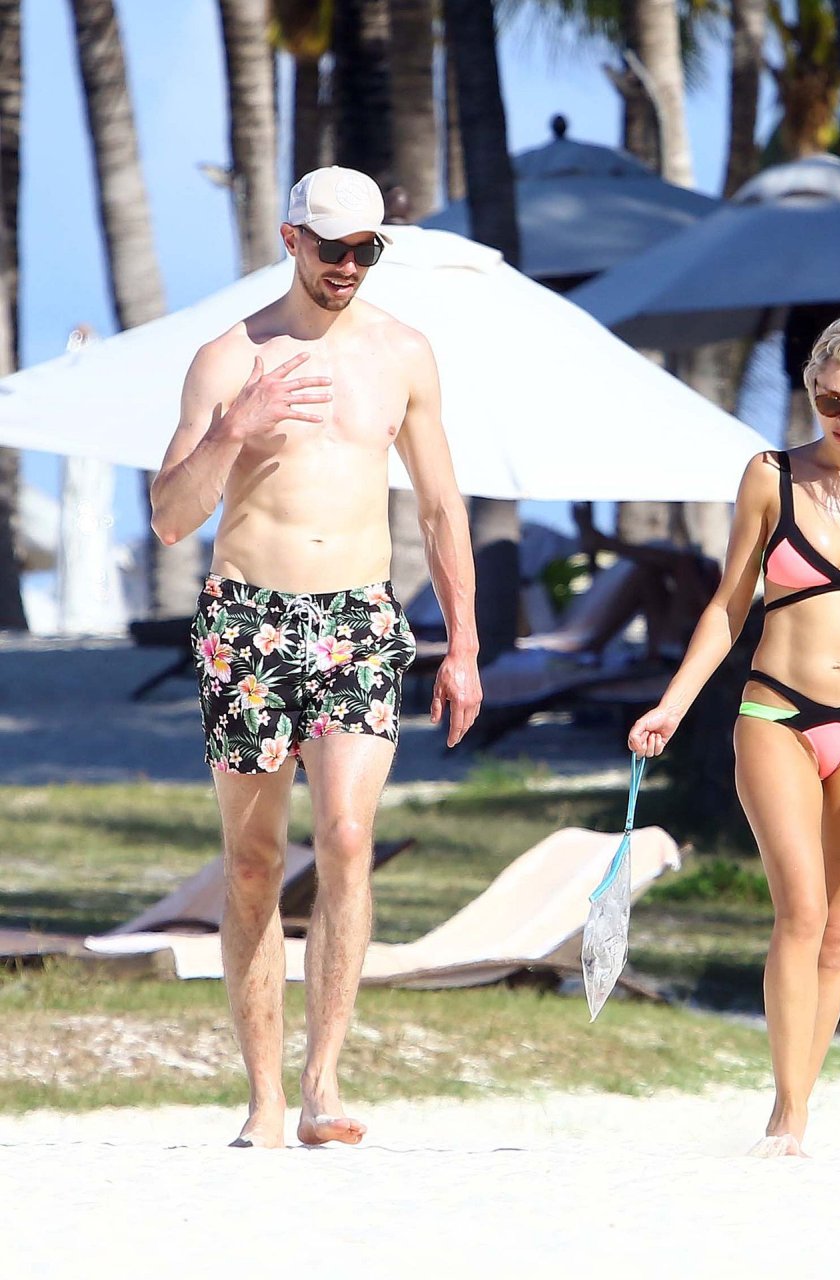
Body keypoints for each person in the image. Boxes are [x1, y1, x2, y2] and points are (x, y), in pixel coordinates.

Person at [150, 166, 482, 1148]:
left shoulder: (403, 353)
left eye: (366, 250)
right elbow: (169, 517)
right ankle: (261, 1096)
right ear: (291, 239)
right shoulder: (228, 357)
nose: (348, 266)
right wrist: (233, 430)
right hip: (247, 624)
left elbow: (441, 507)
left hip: (357, 619)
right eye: (332, 247)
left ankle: (322, 1083)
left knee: (343, 835)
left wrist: (463, 643)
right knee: (253, 863)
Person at [627, 314, 840, 1157]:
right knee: (801, 909)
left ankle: (800, 1110)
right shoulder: (769, 476)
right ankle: (783, 1111)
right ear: (811, 392)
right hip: (775, 713)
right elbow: (727, 606)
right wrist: (672, 704)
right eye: (828, 402)